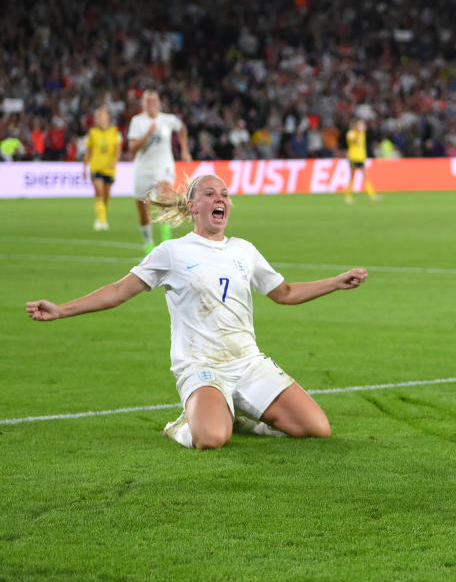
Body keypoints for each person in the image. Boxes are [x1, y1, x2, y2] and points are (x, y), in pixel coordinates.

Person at [26, 174, 369, 450]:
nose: (220, 199)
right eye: (209, 193)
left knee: (316, 429)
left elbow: (285, 293)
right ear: (192, 206)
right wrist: (62, 310)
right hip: (201, 366)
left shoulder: (244, 250)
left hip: (247, 363)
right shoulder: (172, 252)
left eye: (224, 194)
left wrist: (335, 282)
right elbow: (119, 291)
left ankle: (243, 419)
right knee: (211, 439)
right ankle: (180, 426)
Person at [127, 89, 193, 253]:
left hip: (163, 165)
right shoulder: (137, 121)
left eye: (155, 101)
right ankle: (148, 242)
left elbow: (182, 129)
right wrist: (147, 134)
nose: (152, 104)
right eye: (148, 101)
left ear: (159, 103)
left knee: (165, 194)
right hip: (143, 167)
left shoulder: (169, 119)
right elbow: (132, 148)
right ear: (143, 104)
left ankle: (166, 239)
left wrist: (184, 149)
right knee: (143, 209)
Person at [83, 106, 124, 231]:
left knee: (106, 195)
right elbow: (88, 151)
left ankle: (102, 216)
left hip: (110, 168)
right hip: (96, 167)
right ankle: (102, 221)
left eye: (102, 116)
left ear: (107, 118)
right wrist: (84, 167)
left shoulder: (114, 132)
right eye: (98, 117)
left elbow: (118, 150)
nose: (100, 119)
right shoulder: (92, 133)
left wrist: (114, 162)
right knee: (99, 191)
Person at [344, 119, 380, 203]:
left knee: (366, 176)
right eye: (360, 125)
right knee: (352, 177)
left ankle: (372, 196)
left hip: (360, 158)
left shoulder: (362, 134)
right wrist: (359, 132)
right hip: (353, 157)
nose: (362, 126)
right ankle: (347, 196)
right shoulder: (351, 133)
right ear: (356, 126)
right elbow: (355, 142)